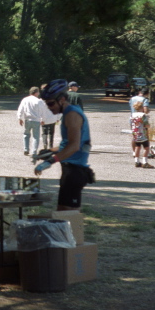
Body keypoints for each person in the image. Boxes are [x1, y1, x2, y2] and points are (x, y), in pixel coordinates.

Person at [33, 79, 93, 211]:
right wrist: (50, 150)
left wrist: (49, 162)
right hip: (69, 170)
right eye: (47, 104)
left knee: (68, 215)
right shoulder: (68, 113)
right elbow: (66, 144)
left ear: (61, 100)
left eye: (51, 103)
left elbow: (74, 146)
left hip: (75, 170)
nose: (49, 107)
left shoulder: (72, 115)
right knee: (62, 213)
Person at [16, 87, 43, 156]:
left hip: (27, 120)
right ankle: (34, 151)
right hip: (36, 120)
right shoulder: (39, 101)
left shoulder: (25, 99)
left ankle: (26, 149)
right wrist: (43, 119)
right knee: (36, 136)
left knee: (26, 135)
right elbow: (42, 111)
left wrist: (19, 118)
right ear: (36, 93)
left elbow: (20, 109)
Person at [130, 100, 153, 168]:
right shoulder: (143, 115)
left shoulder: (132, 115)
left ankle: (137, 161)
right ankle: (145, 162)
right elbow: (146, 125)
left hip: (135, 133)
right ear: (141, 107)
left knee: (137, 146)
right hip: (142, 133)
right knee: (146, 147)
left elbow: (132, 123)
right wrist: (148, 125)